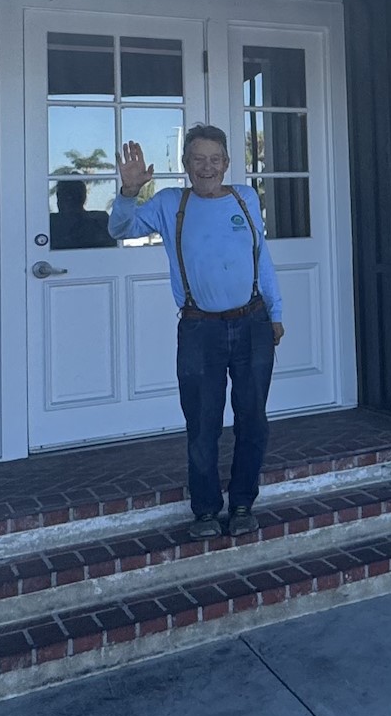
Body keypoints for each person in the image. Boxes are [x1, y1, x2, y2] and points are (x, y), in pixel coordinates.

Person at [109, 125, 285, 539]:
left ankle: (243, 504)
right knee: (203, 423)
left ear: (226, 163)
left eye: (215, 159)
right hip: (199, 330)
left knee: (253, 420)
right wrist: (129, 191)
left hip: (253, 323)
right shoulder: (171, 203)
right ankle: (206, 510)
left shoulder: (245, 197)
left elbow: (263, 260)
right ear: (185, 165)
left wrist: (275, 313)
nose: (207, 168)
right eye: (197, 160)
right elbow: (121, 229)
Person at [48, 176, 115, 250]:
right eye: (62, 196)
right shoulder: (49, 224)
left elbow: (112, 252)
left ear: (82, 198)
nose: (67, 201)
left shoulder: (100, 222)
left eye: (72, 197)